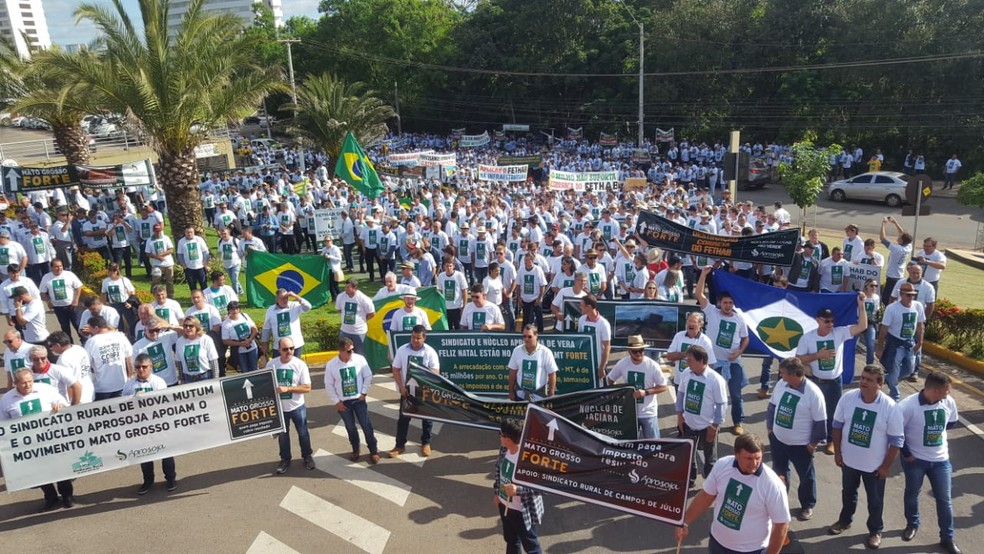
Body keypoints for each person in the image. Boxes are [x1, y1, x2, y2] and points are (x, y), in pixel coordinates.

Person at [827, 364, 902, 550]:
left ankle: (875, 530)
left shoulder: (890, 407)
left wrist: (885, 466)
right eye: (862, 378)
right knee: (848, 493)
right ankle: (844, 521)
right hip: (849, 461)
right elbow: (837, 426)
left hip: (874, 467)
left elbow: (897, 441)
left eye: (869, 380)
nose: (863, 382)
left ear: (880, 384)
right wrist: (838, 452)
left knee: (875, 501)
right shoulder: (848, 398)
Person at [675, 433, 790, 554]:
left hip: (751, 550)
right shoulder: (722, 465)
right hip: (717, 543)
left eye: (758, 458)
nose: (754, 463)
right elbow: (706, 496)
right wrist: (684, 522)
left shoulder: (772, 484)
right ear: (736, 454)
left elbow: (781, 524)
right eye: (748, 458)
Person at [894, 371, 961, 554]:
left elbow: (951, 423)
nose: (949, 394)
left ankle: (947, 538)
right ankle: (912, 524)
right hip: (915, 460)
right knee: (912, 493)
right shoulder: (907, 406)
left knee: (944, 499)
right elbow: (896, 431)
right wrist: (907, 453)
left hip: (940, 460)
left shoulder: (948, 402)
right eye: (947, 391)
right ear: (935, 391)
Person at [795, 298, 868, 453]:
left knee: (833, 413)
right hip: (815, 381)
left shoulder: (839, 333)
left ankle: (831, 441)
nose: (830, 324)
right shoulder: (807, 338)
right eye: (826, 321)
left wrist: (861, 305)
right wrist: (818, 356)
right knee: (812, 411)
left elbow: (862, 326)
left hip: (834, 382)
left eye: (832, 321)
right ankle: (810, 439)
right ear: (818, 321)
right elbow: (799, 358)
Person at [0, 369, 73, 511]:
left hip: (51, 437)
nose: (28, 385)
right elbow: (3, 424)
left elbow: (62, 402)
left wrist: (60, 405)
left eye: (30, 381)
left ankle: (67, 496)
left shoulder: (45, 389)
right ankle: (50, 497)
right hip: (27, 443)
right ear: (15, 383)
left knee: (61, 468)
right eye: (23, 383)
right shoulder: (6, 400)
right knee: (39, 472)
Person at [766, 357, 826, 522]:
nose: (780, 375)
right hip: (778, 441)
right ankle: (779, 502)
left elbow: (821, 423)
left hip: (801, 446)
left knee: (806, 476)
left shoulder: (813, 393)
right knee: (779, 472)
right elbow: (772, 407)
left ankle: (807, 505)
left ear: (794, 374)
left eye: (783, 373)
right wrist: (770, 430)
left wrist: (812, 444)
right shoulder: (781, 384)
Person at [696, 266, 750, 435]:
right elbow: (699, 295)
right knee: (713, 395)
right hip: (714, 363)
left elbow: (745, 338)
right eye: (725, 302)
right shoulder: (712, 312)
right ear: (719, 302)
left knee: (735, 395)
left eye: (730, 303)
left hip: (733, 363)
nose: (727, 305)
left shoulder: (739, 317)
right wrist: (704, 274)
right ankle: (712, 422)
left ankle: (738, 422)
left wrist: (739, 352)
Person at [123, 353, 178, 495]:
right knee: (144, 454)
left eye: (144, 367)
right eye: (138, 367)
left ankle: (170, 478)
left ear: (150, 367)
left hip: (158, 424)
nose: (141, 370)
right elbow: (122, 405)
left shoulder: (158, 382)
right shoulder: (129, 384)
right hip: (140, 426)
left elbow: (164, 403)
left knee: (166, 452)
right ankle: (148, 480)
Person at [675, 345, 728, 488]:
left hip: (707, 426)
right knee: (688, 454)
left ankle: (710, 486)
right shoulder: (686, 373)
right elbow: (680, 394)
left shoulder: (715, 379)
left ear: (701, 361)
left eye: (690, 360)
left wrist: (714, 426)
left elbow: (721, 404)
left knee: (710, 458)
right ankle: (690, 480)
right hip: (688, 422)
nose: (687, 363)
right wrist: (680, 415)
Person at [324, 337, 379, 464]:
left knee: (366, 425)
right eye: (348, 351)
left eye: (352, 350)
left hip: (358, 400)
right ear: (340, 351)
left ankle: (373, 450)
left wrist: (364, 392)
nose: (351, 353)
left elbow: (368, 375)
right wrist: (336, 402)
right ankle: (355, 449)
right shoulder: (332, 365)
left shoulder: (359, 360)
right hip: (344, 403)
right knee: (350, 427)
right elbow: (329, 384)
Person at [494, 419, 545, 554]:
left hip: (522, 511)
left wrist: (518, 490)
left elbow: (543, 487)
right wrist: (497, 493)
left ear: (508, 439)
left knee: (531, 547)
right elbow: (498, 470)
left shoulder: (530, 458)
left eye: (500, 434)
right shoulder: (504, 449)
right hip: (505, 506)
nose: (499, 436)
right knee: (511, 541)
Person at [389, 325, 441, 458]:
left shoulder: (429, 352)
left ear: (424, 338)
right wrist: (401, 387)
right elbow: (395, 369)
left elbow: (435, 372)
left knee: (427, 419)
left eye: (418, 338)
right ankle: (399, 445)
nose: (415, 340)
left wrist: (426, 388)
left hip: (424, 392)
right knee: (403, 419)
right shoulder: (402, 350)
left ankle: (426, 443)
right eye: (413, 337)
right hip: (407, 391)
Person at [606, 335, 668, 438]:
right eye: (635, 351)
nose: (639, 353)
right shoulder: (623, 363)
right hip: (630, 412)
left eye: (641, 350)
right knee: (630, 444)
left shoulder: (652, 365)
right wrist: (622, 392)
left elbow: (663, 386)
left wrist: (646, 392)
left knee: (653, 445)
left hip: (648, 413)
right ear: (629, 351)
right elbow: (610, 379)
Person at [269, 337, 316, 473]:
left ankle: (307, 456)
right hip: (280, 408)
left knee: (303, 433)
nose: (289, 351)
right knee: (283, 436)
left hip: (297, 407)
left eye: (291, 348)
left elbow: (307, 388)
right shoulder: (272, 365)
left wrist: (288, 389)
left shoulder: (300, 365)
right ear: (279, 350)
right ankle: (285, 460)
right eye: (285, 349)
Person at [876, 282, 925, 401]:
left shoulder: (918, 306)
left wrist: (920, 342)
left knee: (909, 369)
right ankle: (895, 394)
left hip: (909, 342)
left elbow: (920, 325)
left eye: (912, 295)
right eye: (908, 295)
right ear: (901, 294)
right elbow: (884, 329)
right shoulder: (892, 308)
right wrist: (880, 347)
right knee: (894, 367)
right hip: (895, 343)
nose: (910, 297)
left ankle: (890, 379)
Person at [507, 324, 558, 401]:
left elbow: (552, 374)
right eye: (524, 336)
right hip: (521, 395)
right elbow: (512, 372)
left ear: (536, 336)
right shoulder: (517, 350)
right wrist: (511, 392)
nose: (526, 339)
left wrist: (551, 394)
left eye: (529, 336)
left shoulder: (546, 352)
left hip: (539, 396)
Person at [665, 311, 717, 385]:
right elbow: (669, 356)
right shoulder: (679, 336)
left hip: (696, 383)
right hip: (679, 381)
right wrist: (685, 354)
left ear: (700, 325)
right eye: (689, 321)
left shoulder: (705, 341)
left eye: (694, 322)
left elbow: (711, 363)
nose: (690, 324)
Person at [38, 259, 83, 340]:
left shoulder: (69, 275)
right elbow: (42, 292)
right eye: (56, 267)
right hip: (58, 308)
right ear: (52, 268)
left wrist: (76, 300)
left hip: (72, 306)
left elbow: (78, 287)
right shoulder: (46, 277)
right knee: (65, 327)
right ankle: (69, 344)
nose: (59, 268)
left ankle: (84, 341)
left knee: (78, 325)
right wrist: (48, 301)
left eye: (61, 266)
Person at [262, 289, 312, 359]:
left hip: (295, 345)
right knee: (279, 368)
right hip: (278, 347)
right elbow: (267, 328)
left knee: (294, 367)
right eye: (282, 298)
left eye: (286, 298)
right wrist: (264, 343)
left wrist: (296, 296)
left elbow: (308, 307)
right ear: (277, 299)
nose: (285, 300)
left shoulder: (294, 306)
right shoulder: (271, 310)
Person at [131, 317, 180, 386]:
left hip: (171, 381)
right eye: (151, 331)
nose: (154, 333)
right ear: (145, 330)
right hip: (154, 384)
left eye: (156, 330)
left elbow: (184, 332)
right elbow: (133, 367)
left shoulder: (166, 337)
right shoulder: (137, 346)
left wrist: (169, 326)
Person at [335, 279, 376, 355]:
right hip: (345, 330)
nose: (346, 289)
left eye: (348, 287)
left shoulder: (363, 299)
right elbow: (339, 310)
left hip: (359, 332)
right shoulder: (340, 296)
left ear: (355, 288)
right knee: (344, 352)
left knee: (360, 354)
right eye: (345, 287)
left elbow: (372, 313)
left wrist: (362, 320)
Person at [577, 294, 611, 382]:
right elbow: (580, 339)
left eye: (582, 305)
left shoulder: (604, 324)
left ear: (588, 307)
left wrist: (602, 367)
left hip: (599, 362)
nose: (580, 307)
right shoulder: (581, 320)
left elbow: (607, 347)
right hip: (586, 360)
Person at [174, 316, 219, 382]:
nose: (188, 328)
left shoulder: (206, 339)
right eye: (185, 326)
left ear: (197, 327)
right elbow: (179, 362)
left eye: (191, 326)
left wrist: (216, 378)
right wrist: (181, 379)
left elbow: (213, 361)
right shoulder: (179, 341)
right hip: (188, 378)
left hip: (205, 377)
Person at [879, 216, 912, 304]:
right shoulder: (909, 246)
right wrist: (895, 222)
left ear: (902, 241)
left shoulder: (896, 249)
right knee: (895, 297)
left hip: (892, 277)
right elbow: (903, 233)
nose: (898, 237)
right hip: (900, 276)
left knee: (886, 299)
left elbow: (882, 238)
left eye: (900, 237)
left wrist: (884, 224)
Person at [221, 301, 259, 373]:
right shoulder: (226, 324)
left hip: (252, 346)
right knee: (244, 370)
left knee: (255, 368)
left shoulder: (244, 316)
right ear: (229, 310)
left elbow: (254, 329)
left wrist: (249, 339)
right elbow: (225, 340)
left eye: (237, 309)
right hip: (239, 351)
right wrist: (240, 344)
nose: (235, 311)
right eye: (232, 309)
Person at [516, 251, 547, 333]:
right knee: (526, 320)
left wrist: (540, 298)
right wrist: (519, 297)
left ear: (532, 260)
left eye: (528, 260)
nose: (526, 262)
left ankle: (541, 334)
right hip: (525, 299)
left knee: (539, 318)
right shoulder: (521, 270)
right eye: (525, 260)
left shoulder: (538, 270)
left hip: (536, 298)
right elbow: (518, 285)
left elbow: (542, 285)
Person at [437, 257, 468, 330]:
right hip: (446, 307)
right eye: (447, 266)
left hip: (457, 307)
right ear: (444, 266)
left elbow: (464, 290)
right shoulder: (441, 276)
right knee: (448, 327)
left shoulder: (459, 275)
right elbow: (439, 291)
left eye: (450, 266)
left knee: (458, 327)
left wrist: (464, 305)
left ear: (453, 266)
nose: (448, 268)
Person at [145, 223, 175, 297]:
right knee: (156, 280)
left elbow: (171, 250)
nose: (158, 232)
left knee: (169, 281)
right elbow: (147, 253)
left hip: (168, 263)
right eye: (156, 231)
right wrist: (157, 257)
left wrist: (161, 255)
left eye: (159, 230)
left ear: (161, 230)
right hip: (156, 264)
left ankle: (170, 296)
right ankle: (152, 295)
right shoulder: (150, 240)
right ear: (153, 231)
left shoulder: (166, 238)